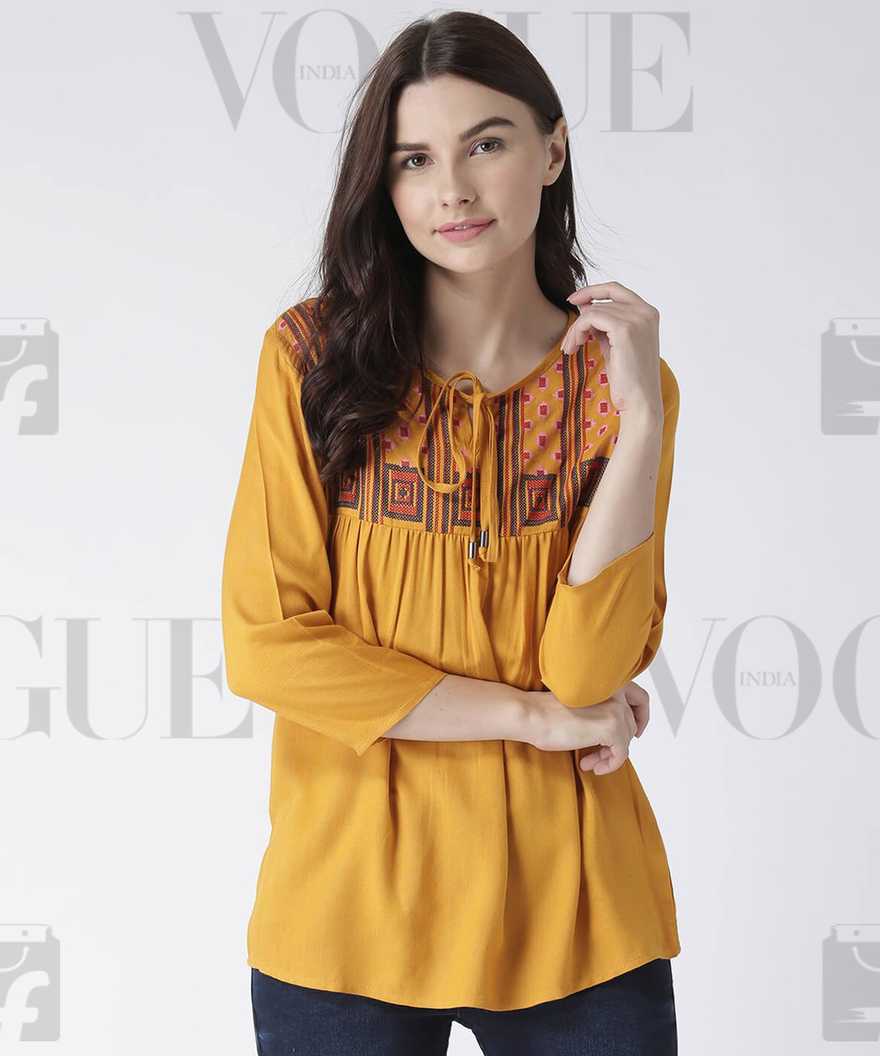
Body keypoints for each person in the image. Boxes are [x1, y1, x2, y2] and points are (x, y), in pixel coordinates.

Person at [221, 10, 681, 1055]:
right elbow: (268, 644)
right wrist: (529, 721)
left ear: (552, 150)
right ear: (383, 185)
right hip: (348, 914)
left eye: (487, 143)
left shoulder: (624, 392)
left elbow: (585, 672)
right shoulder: (311, 363)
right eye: (415, 159)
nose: (453, 191)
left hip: (576, 912)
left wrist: (643, 422)